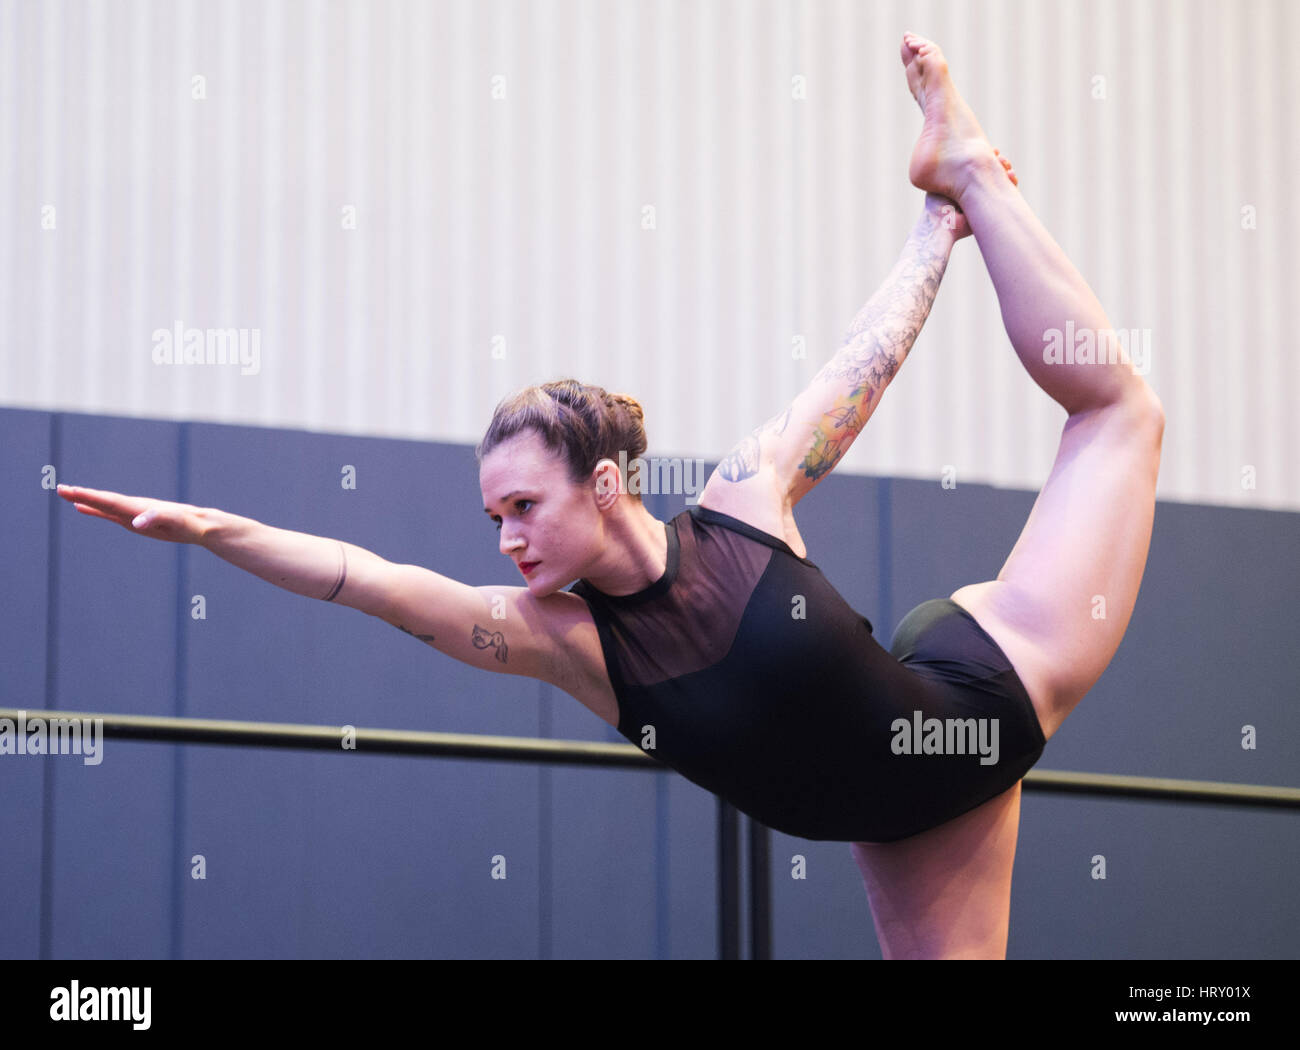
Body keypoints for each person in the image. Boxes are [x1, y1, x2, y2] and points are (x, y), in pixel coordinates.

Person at [56, 33, 1163, 959]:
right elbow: (372, 583)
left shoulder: (740, 502)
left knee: (1120, 414)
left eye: (522, 508)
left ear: (602, 483)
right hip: (913, 807)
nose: (505, 538)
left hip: (991, 684)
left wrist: (940, 224)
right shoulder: (561, 643)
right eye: (493, 518)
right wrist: (208, 528)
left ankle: (966, 162)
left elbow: (864, 359)